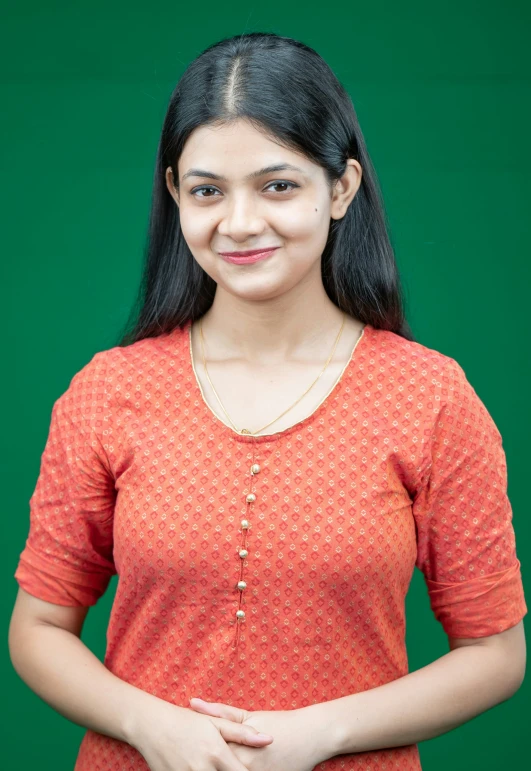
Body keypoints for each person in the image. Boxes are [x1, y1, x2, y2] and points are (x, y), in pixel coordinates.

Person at [9, 31, 527, 771]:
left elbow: (494, 652)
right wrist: (147, 723)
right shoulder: (106, 391)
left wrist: (322, 733)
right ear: (174, 196)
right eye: (206, 190)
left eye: (277, 185)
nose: (240, 222)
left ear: (340, 188)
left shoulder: (431, 397)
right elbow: (37, 628)